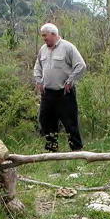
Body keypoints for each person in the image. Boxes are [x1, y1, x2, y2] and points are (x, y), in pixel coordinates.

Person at [33, 23, 87, 152]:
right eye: (42, 36)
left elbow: (81, 65)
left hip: (64, 93)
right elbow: (37, 67)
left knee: (70, 123)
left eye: (45, 36)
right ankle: (52, 150)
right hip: (48, 94)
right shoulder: (43, 49)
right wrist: (39, 81)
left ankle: (77, 151)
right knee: (45, 121)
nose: (44, 39)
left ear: (53, 34)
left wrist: (71, 80)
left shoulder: (68, 47)